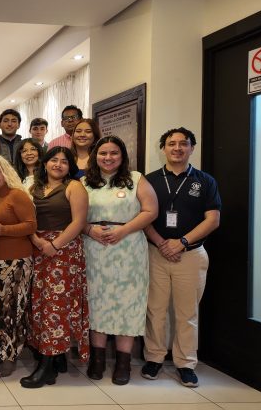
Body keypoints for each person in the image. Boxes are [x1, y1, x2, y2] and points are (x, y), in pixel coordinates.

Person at [142, 128, 221, 388]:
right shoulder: (149, 180)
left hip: (191, 254)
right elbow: (142, 216)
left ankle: (186, 363)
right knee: (155, 309)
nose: (177, 148)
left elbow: (213, 220)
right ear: (163, 148)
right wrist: (161, 243)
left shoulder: (205, 181)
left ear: (191, 148)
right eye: (171, 143)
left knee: (187, 313)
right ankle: (154, 358)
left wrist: (182, 242)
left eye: (183, 143)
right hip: (156, 252)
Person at [82, 136, 158, 385]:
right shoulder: (84, 183)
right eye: (103, 153)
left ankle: (123, 363)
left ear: (122, 155)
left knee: (128, 303)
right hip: (94, 249)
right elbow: (72, 216)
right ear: (95, 156)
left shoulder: (136, 179)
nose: (108, 157)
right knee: (96, 301)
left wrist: (123, 230)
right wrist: (90, 230)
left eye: (114, 153)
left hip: (129, 249)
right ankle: (97, 359)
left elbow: (150, 211)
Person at [20, 147, 90, 388]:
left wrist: (55, 245)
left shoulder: (74, 187)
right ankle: (54, 358)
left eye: (64, 161)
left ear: (70, 166)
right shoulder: (34, 188)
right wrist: (37, 240)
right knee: (39, 305)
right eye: (54, 160)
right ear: (45, 163)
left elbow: (79, 222)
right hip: (38, 249)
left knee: (55, 307)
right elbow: (27, 220)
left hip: (64, 252)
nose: (58, 164)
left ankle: (47, 365)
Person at [0, 154, 37, 377]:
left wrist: (3, 230)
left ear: (6, 173)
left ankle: (9, 356)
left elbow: (31, 225)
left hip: (16, 262)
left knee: (10, 311)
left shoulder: (17, 195)